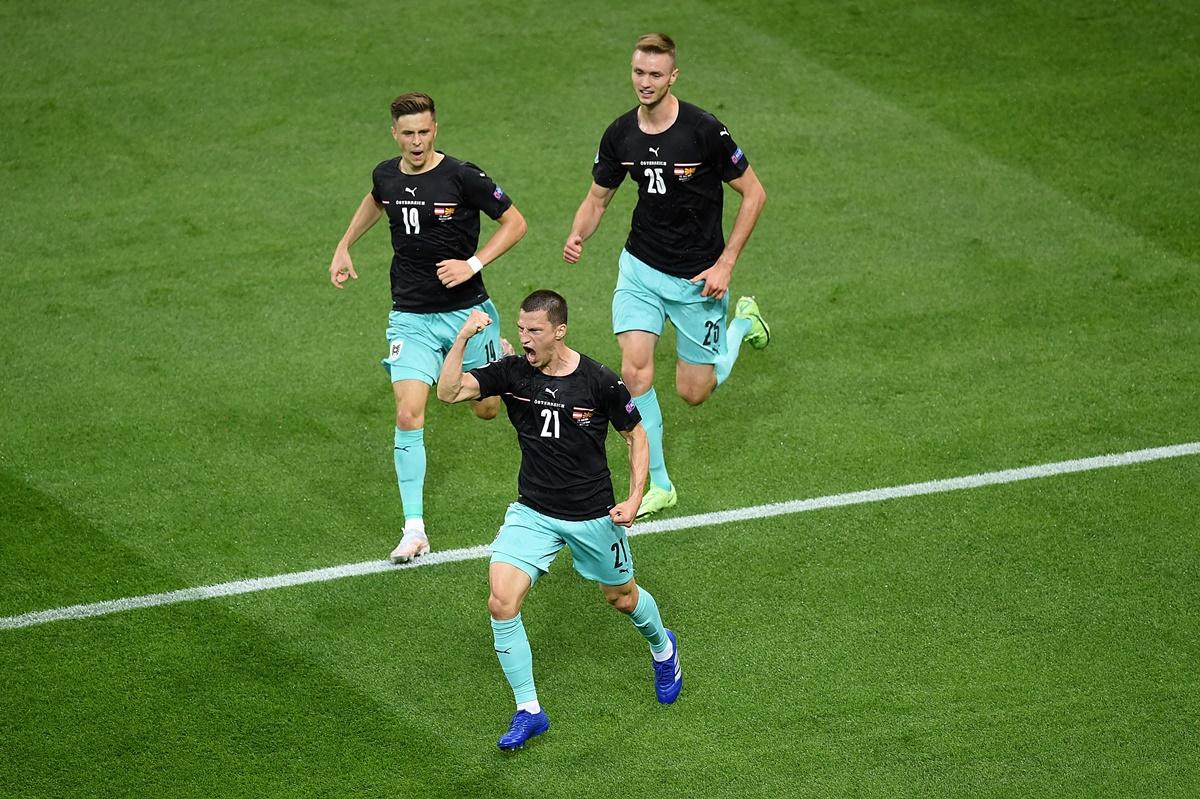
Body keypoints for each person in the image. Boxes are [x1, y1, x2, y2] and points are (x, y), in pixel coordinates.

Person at [437, 289, 682, 751]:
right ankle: (529, 709)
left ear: (560, 331)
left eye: (535, 331)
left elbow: (636, 436)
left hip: (592, 517)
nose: (524, 339)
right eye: (521, 329)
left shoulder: (599, 381)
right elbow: (448, 392)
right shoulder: (513, 374)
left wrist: (633, 499)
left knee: (623, 598)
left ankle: (663, 647)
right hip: (532, 512)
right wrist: (463, 338)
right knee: (501, 602)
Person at [563, 33, 770, 519]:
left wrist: (726, 263)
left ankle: (742, 325)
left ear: (672, 76)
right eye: (639, 73)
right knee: (634, 372)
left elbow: (754, 193)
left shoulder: (703, 130)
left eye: (656, 75)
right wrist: (578, 235)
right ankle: (659, 484)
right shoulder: (620, 135)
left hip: (699, 279)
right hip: (640, 269)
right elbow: (598, 198)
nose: (646, 83)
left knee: (693, 393)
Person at [329, 92, 527, 563]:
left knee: (485, 410)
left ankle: (501, 353)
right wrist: (344, 244)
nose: (416, 142)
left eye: (424, 131)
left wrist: (472, 264)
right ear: (394, 134)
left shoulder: (463, 176)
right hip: (411, 315)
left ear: (435, 129)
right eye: (408, 133)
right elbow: (377, 201)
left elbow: (516, 223)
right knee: (408, 414)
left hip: (468, 312)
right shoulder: (386, 174)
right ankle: (414, 529)